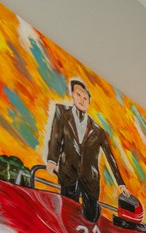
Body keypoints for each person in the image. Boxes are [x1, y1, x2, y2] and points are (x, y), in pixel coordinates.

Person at [46, 78, 127, 223]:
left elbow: (110, 157)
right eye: (78, 95)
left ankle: (93, 217)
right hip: (68, 173)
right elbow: (56, 137)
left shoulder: (98, 131)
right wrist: (52, 159)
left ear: (89, 102)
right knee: (68, 213)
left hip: (90, 179)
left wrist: (121, 184)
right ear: (72, 95)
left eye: (85, 98)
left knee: (90, 217)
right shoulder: (62, 113)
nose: (82, 100)